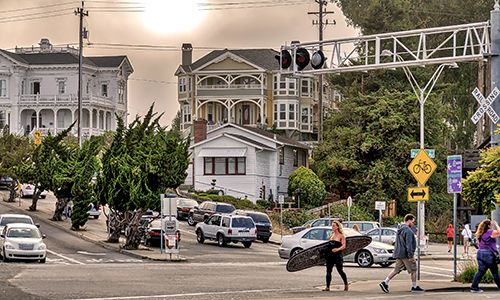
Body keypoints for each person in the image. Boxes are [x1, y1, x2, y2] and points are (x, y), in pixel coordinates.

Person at [379, 214, 424, 293]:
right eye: (412, 221)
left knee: (396, 270)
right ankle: (414, 287)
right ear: (409, 220)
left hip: (399, 253)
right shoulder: (408, 231)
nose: (413, 223)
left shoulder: (400, 229)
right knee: (413, 269)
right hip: (406, 255)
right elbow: (409, 245)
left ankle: (385, 282)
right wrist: (411, 256)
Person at [470, 219, 500, 293]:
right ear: (489, 225)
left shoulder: (480, 233)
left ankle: (474, 287)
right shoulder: (490, 232)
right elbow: (499, 232)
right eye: (491, 225)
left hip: (480, 253)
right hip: (488, 254)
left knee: (480, 271)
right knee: (495, 272)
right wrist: (497, 225)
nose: (492, 226)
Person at [323, 220, 348, 292]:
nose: (332, 227)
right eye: (332, 225)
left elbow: (344, 246)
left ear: (337, 227)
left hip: (337, 256)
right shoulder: (331, 235)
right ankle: (327, 287)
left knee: (340, 270)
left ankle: (346, 284)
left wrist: (337, 249)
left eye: (334, 226)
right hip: (330, 256)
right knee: (328, 271)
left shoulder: (341, 235)